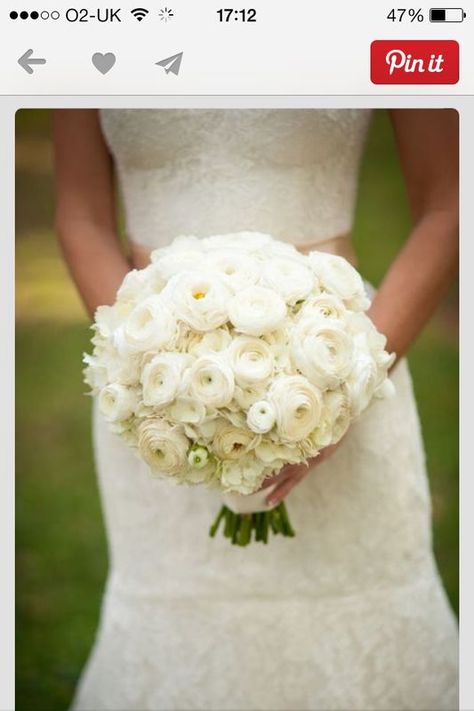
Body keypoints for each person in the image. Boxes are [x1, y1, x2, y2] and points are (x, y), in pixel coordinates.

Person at [53, 108, 458, 711]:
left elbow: (450, 200)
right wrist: (145, 367)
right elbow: (80, 214)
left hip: (340, 358)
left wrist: (345, 389)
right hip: (159, 387)